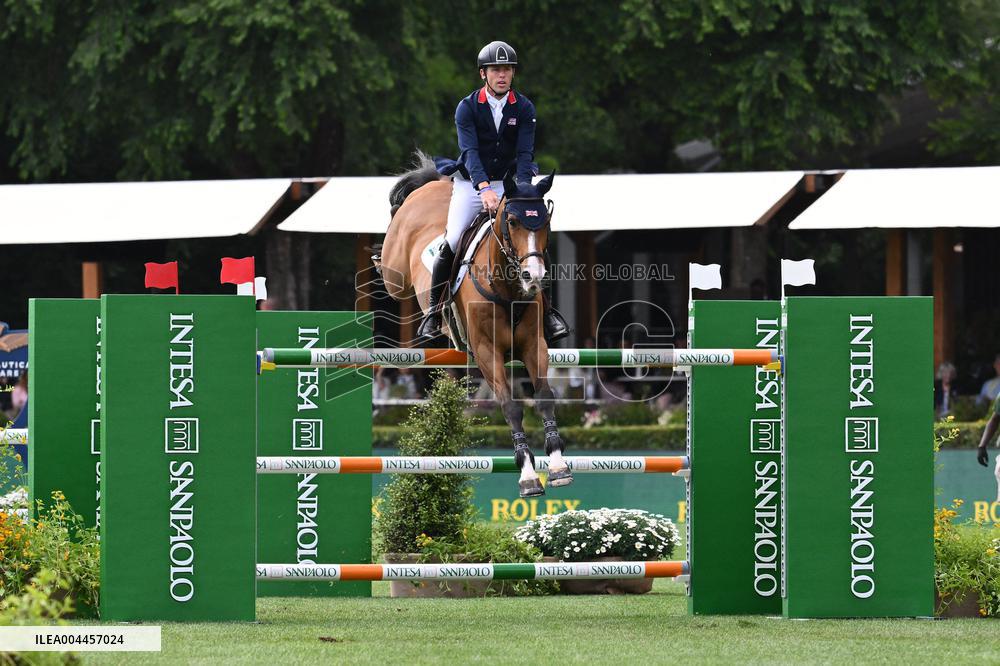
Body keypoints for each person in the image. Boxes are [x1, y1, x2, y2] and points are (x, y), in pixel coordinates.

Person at [418, 40, 568, 343]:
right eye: (496, 70)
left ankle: (548, 312)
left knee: (532, 236)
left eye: (508, 70)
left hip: (510, 183)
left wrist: (523, 191)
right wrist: (483, 187)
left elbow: (526, 154)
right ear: (483, 74)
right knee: (453, 237)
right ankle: (434, 312)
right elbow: (470, 151)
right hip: (472, 183)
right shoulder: (468, 107)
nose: (503, 75)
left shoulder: (524, 107)